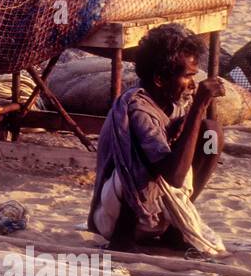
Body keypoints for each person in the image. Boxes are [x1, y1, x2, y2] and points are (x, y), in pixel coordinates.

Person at [87, 24, 227, 256]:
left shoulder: (171, 101)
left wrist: (197, 115)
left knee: (211, 134)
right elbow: (174, 176)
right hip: (118, 214)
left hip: (158, 208)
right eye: (188, 76)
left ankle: (174, 227)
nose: (193, 84)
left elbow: (186, 154)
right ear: (160, 79)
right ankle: (124, 237)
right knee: (140, 158)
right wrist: (199, 106)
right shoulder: (138, 109)